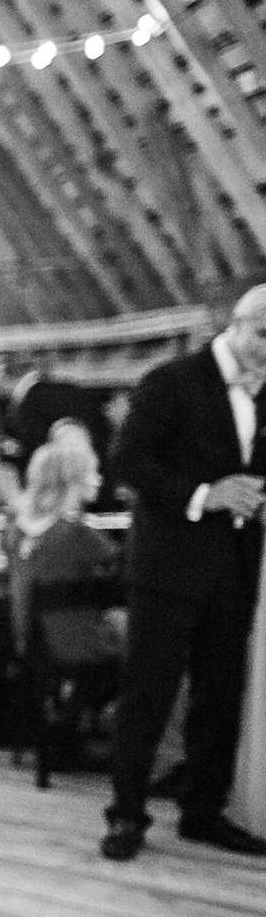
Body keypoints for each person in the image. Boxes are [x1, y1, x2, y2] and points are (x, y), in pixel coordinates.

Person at [101, 285, 266, 860]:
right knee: (148, 694)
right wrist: (205, 494)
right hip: (168, 565)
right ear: (236, 323)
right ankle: (126, 814)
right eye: (262, 335)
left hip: (237, 566)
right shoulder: (173, 382)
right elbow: (127, 463)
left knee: (221, 694)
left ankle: (203, 811)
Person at [8, 441, 122, 666]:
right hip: (77, 644)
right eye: (92, 472)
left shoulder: (15, 531)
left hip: (28, 643)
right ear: (72, 480)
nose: (99, 479)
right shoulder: (77, 534)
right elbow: (127, 566)